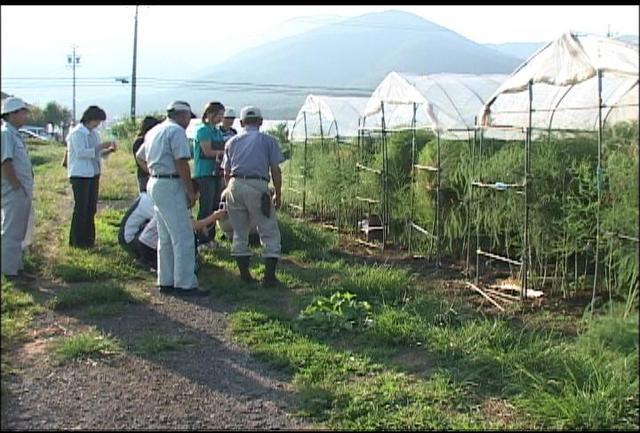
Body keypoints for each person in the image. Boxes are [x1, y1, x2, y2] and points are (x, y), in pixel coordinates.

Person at [135, 100, 205, 296]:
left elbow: (140, 156)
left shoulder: (154, 131)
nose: (188, 122)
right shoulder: (176, 132)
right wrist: (190, 191)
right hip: (170, 182)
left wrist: (153, 171)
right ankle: (185, 283)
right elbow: (181, 162)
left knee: (165, 236)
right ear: (183, 115)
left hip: (155, 182)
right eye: (188, 118)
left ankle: (165, 280)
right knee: (182, 236)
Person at [222, 106, 284, 286]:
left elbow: (226, 171)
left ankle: (245, 276)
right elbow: (275, 170)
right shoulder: (269, 141)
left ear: (241, 123)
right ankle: (269, 277)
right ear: (261, 121)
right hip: (257, 185)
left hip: (235, 184)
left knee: (239, 231)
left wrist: (228, 190)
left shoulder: (232, 142)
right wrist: (278, 193)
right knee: (268, 229)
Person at [118, 181, 227, 273]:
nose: (194, 203)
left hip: (141, 238)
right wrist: (214, 217)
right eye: (195, 199)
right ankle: (152, 262)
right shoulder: (165, 204)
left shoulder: (170, 199)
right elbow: (190, 224)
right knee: (184, 235)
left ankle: (153, 261)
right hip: (137, 241)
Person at [66, 105, 116, 248]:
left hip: (93, 173)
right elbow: (82, 153)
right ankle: (76, 241)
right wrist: (100, 147)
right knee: (81, 208)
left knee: (90, 208)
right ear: (91, 119)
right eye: (97, 121)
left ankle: (89, 240)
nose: (98, 124)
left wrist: (108, 151)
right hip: (80, 175)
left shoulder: (94, 134)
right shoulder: (77, 133)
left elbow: (96, 154)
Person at [1, 97, 34, 279]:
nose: (25, 116)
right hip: (14, 190)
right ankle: (9, 271)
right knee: (12, 230)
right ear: (12, 114)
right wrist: (16, 186)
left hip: (21, 190)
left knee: (19, 230)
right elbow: (6, 163)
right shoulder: (6, 133)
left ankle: (17, 268)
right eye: (22, 113)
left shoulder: (13, 133)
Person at [193, 102, 226, 250]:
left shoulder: (218, 132)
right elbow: (207, 151)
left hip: (216, 173)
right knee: (205, 207)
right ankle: (201, 238)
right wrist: (224, 153)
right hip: (204, 174)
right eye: (219, 115)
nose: (221, 118)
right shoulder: (202, 131)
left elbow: (220, 150)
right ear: (211, 114)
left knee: (214, 206)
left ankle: (211, 237)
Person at [131, 116, 161, 193]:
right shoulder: (140, 142)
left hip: (147, 174)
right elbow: (140, 159)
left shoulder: (140, 141)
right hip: (144, 175)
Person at [217, 107, 238, 180]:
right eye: (228, 118)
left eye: (232, 118)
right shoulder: (217, 131)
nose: (230, 121)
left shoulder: (234, 132)